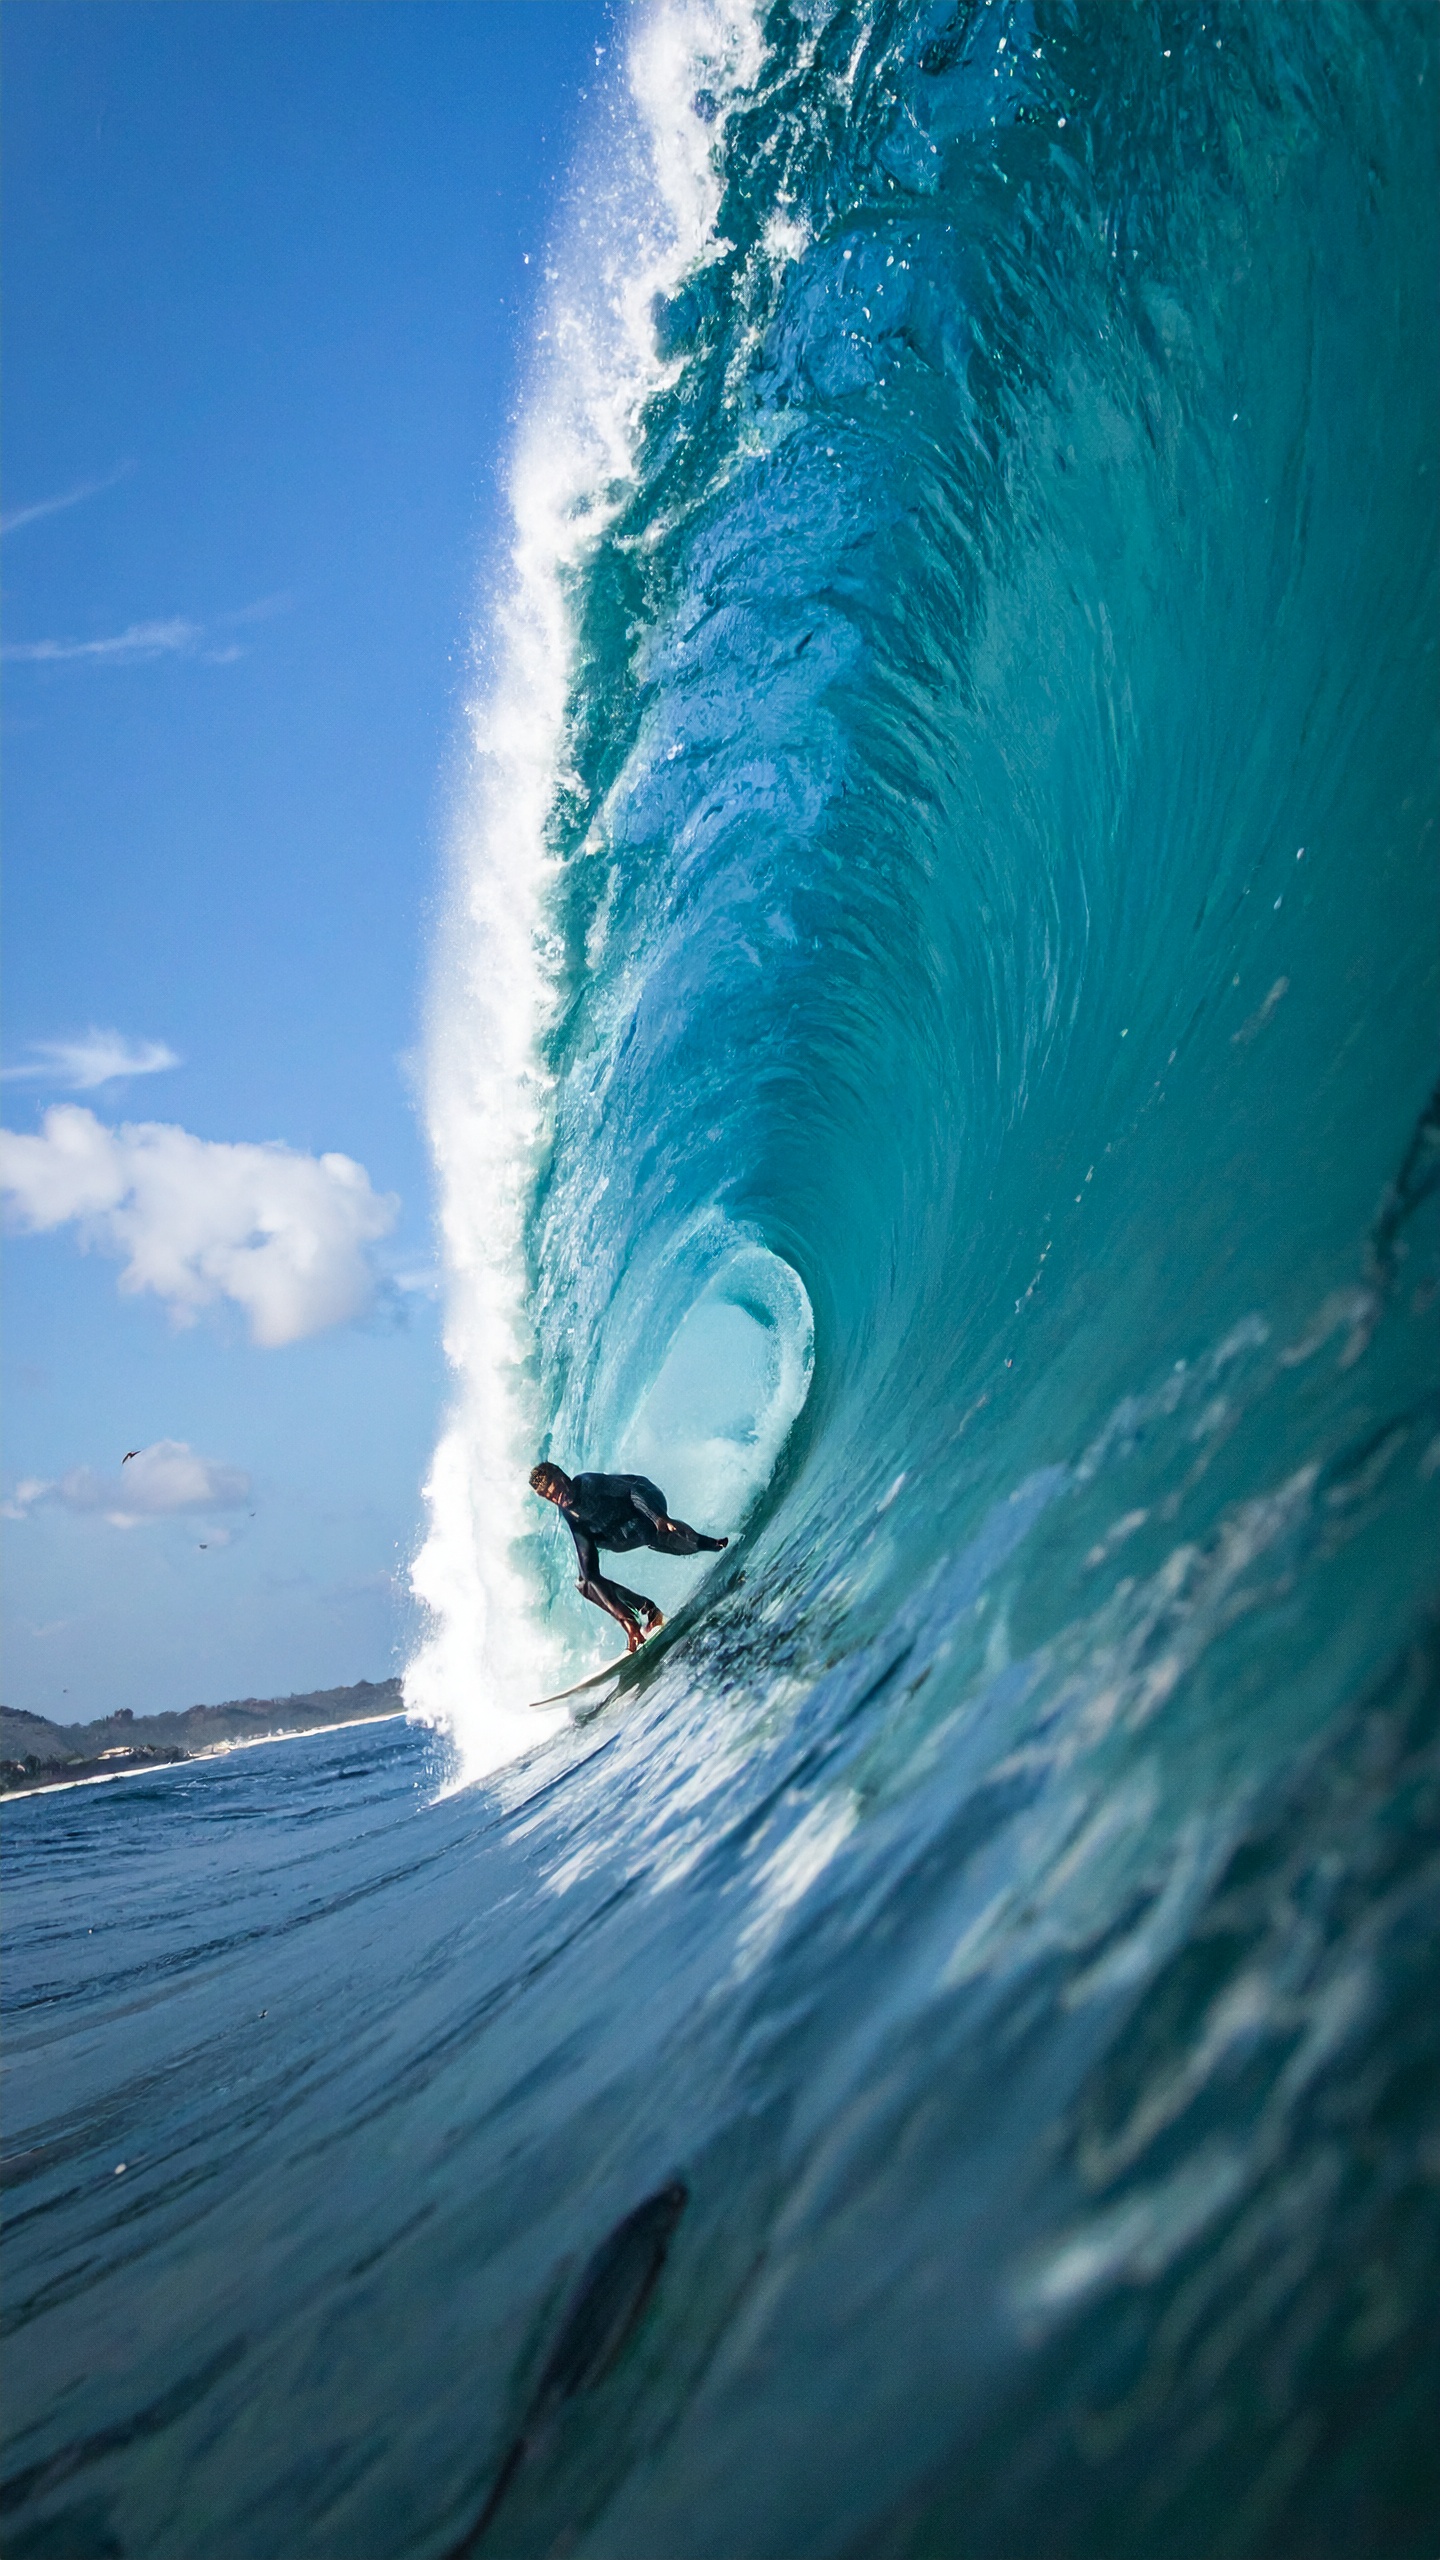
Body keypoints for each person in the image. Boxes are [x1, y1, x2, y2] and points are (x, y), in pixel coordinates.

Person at [529, 1461, 728, 1652]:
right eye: (551, 1497)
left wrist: (658, 1518)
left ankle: (716, 1544)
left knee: (666, 1535)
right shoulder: (568, 1511)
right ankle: (641, 1616)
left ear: (562, 1476)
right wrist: (626, 1622)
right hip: (623, 1533)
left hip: (645, 1505)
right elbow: (586, 1557)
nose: (558, 1498)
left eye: (557, 1490)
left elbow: (633, 1490)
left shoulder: (589, 1483)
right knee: (586, 1583)